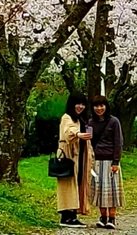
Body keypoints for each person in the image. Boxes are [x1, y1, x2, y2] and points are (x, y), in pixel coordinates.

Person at [56, 94, 92, 227]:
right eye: (78, 103)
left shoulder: (80, 120)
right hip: (68, 156)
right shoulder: (67, 118)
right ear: (72, 104)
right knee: (68, 185)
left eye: (83, 104)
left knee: (76, 184)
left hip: (79, 156)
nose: (80, 107)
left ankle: (73, 214)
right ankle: (66, 216)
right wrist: (78, 134)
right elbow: (68, 131)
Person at [88, 95, 124, 230]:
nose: (99, 108)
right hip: (96, 161)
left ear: (106, 106)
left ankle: (112, 218)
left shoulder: (114, 122)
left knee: (112, 190)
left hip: (110, 161)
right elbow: (89, 142)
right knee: (99, 190)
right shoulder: (90, 123)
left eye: (101, 105)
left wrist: (116, 161)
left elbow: (118, 142)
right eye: (96, 106)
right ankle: (102, 216)